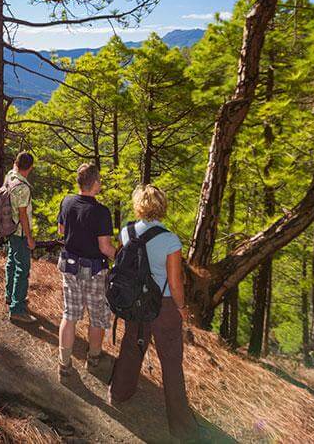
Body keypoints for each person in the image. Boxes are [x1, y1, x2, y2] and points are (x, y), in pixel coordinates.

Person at [109, 184, 197, 440]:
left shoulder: (126, 231)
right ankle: (181, 425)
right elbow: (175, 281)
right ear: (162, 206)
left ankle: (118, 394)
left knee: (130, 347)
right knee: (171, 362)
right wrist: (182, 308)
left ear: (139, 205)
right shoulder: (169, 240)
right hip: (164, 305)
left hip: (135, 303)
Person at [57, 163, 117, 376]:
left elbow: (61, 231)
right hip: (94, 272)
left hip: (69, 266)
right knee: (98, 316)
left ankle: (64, 364)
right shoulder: (101, 212)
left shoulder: (67, 202)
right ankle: (93, 359)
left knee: (70, 314)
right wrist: (121, 256)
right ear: (95, 183)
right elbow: (105, 247)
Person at [5, 151, 36, 323]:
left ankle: (10, 295)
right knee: (22, 269)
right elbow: (23, 215)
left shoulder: (10, 176)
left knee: (11, 262)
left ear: (16, 163)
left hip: (10, 228)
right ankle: (17, 309)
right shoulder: (23, 188)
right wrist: (30, 237)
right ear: (30, 168)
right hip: (20, 232)